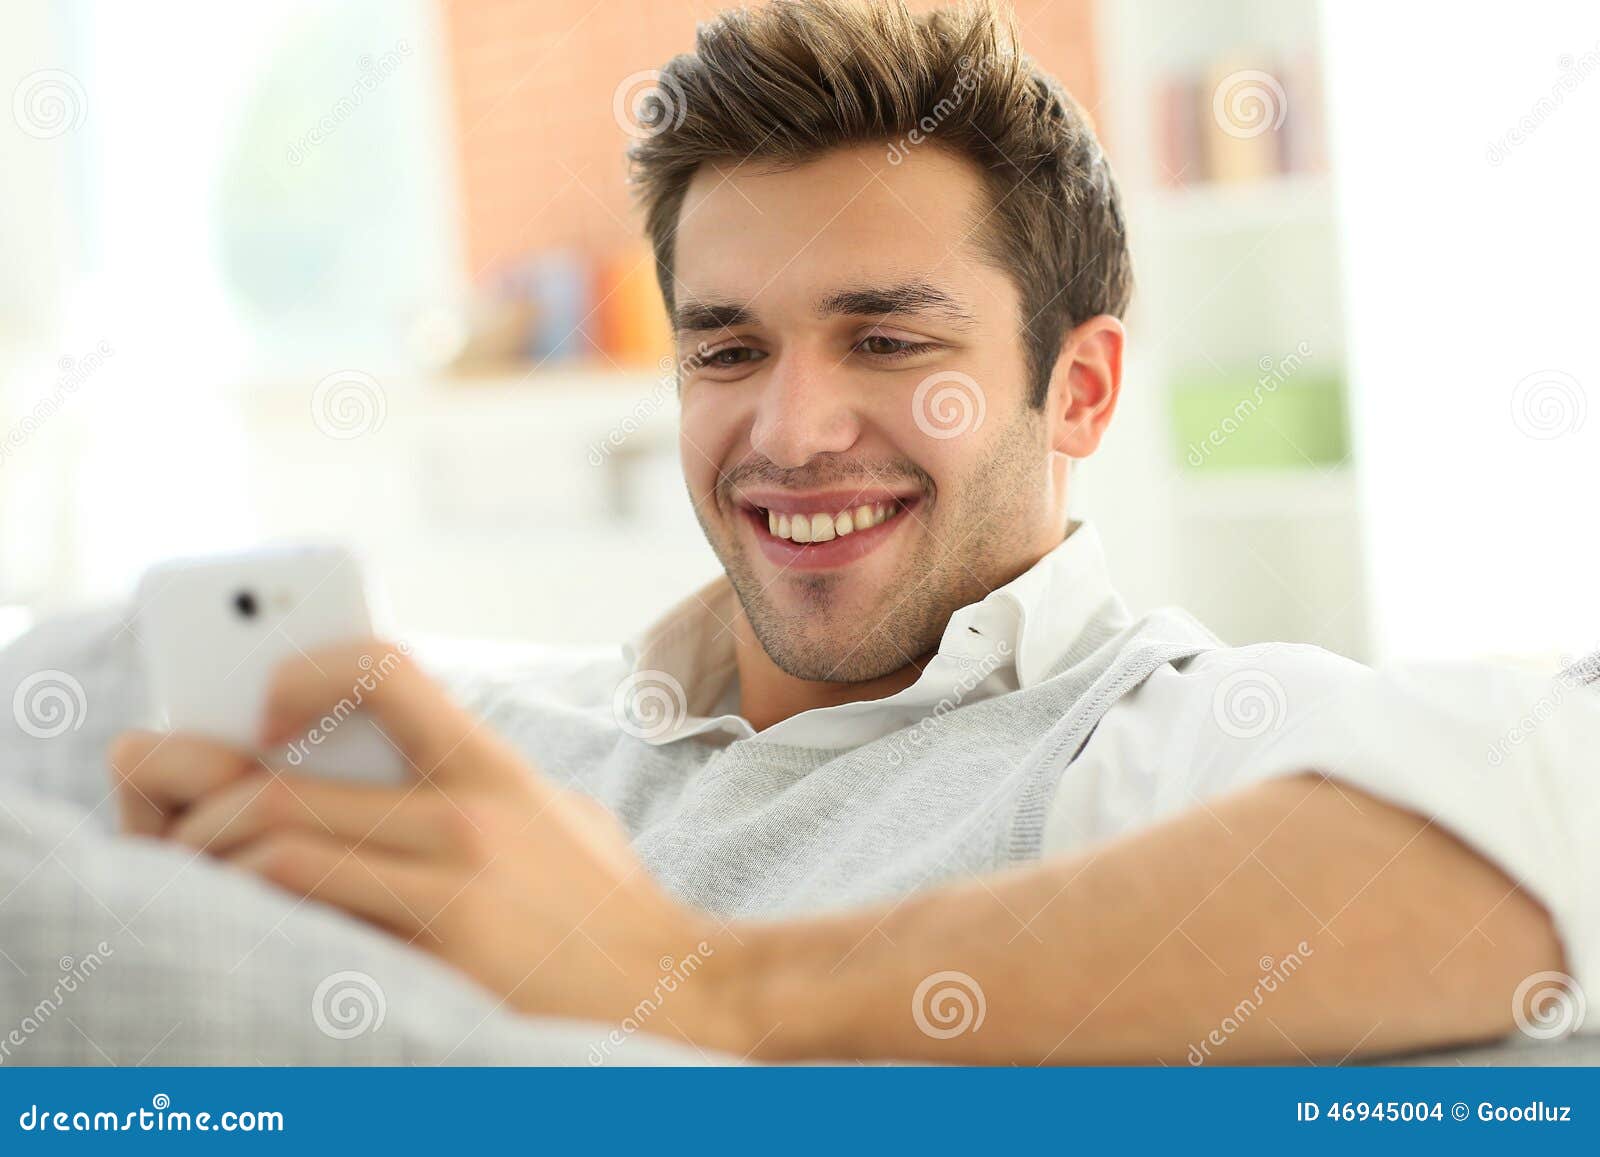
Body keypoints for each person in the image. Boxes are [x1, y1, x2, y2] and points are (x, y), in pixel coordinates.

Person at [105, 0, 1590, 1063]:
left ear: (1078, 388)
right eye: (729, 350)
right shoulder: (505, 739)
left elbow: (1555, 826)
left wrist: (702, 989)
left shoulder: (1160, 743)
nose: (792, 429)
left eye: (886, 342)